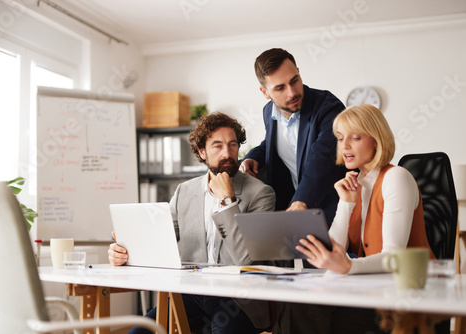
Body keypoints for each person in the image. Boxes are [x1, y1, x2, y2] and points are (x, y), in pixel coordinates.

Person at [108, 112, 276, 334]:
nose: (227, 153)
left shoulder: (261, 194)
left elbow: (250, 261)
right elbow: (158, 241)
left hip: (237, 301)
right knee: (138, 332)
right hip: (191, 295)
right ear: (202, 152)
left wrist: (228, 201)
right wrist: (123, 250)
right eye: (217, 146)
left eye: (232, 145)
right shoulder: (184, 191)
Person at [274, 104, 435, 334]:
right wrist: (346, 203)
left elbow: (394, 258)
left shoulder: (396, 178)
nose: (345, 145)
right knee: (299, 304)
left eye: (356, 137)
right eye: (340, 138)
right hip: (372, 293)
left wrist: (349, 266)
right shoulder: (356, 184)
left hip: (406, 297)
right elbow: (334, 250)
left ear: (377, 141)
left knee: (305, 310)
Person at [240, 48, 346, 225]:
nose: (292, 93)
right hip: (293, 212)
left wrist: (301, 201)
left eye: (294, 81)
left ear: (299, 73)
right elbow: (273, 142)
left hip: (335, 211)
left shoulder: (328, 107)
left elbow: (323, 156)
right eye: (280, 88)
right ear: (265, 92)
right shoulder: (269, 112)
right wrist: (254, 156)